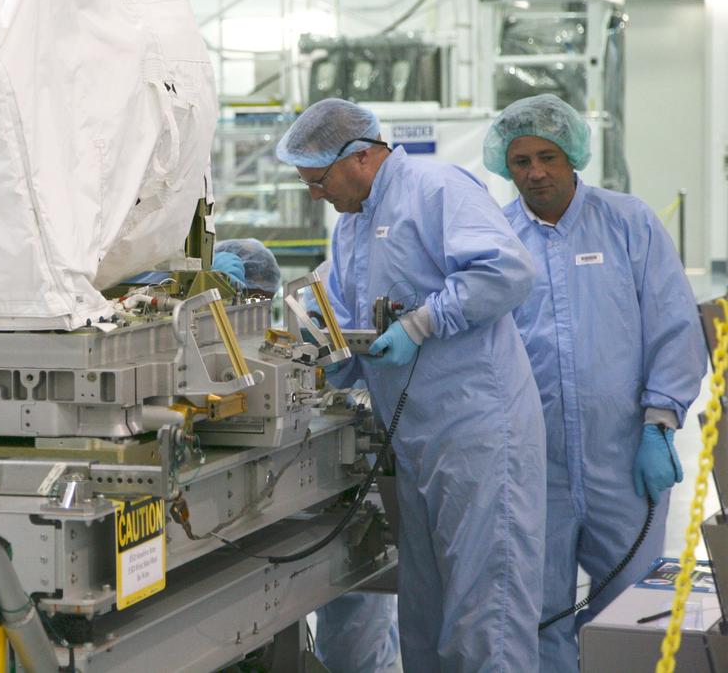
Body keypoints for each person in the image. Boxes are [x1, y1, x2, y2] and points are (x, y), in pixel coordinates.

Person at [276, 97, 546, 672]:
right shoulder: (351, 229)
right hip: (416, 441)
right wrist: (326, 356)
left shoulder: (435, 188)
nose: (315, 195)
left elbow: (507, 271)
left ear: (361, 157)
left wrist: (423, 322)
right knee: (426, 610)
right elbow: (353, 327)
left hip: (476, 429)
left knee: (485, 608)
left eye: (318, 180)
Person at [482, 94, 706, 673]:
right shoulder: (497, 240)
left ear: (573, 156)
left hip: (625, 456)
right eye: (521, 160)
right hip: (537, 463)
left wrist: (661, 422)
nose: (535, 172)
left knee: (629, 610)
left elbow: (674, 324)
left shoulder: (627, 222)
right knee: (540, 611)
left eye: (548, 157)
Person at [217, 240, 402, 672]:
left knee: (355, 636)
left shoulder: (287, 343)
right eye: (245, 299)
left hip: (316, 501)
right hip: (263, 518)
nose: (255, 309)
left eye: (263, 299)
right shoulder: (209, 346)